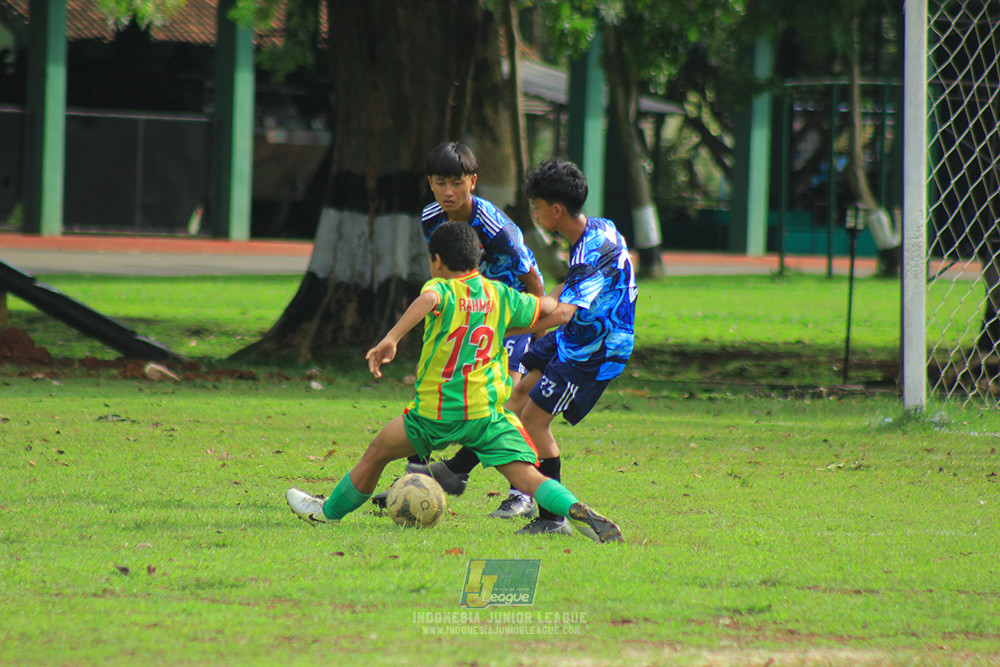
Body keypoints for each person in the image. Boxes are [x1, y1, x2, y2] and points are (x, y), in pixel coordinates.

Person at [284, 221, 623, 544]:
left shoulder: (440, 288)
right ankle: (573, 510)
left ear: (436, 259)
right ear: (477, 257)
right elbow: (547, 306)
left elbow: (429, 300)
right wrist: (570, 289)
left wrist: (392, 338)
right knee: (528, 476)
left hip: (433, 414)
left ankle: (326, 513)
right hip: (483, 415)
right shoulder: (499, 294)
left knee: (376, 454)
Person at [375, 142, 545, 519]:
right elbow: (443, 269)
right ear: (430, 184)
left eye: (456, 182)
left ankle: (522, 493)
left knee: (506, 403)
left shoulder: (497, 230)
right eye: (440, 182)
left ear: (473, 181)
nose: (448, 191)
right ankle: (417, 480)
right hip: (464, 309)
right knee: (434, 386)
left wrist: (535, 332)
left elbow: (533, 280)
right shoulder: (431, 217)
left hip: (506, 310)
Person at [504, 158, 638, 536]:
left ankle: (552, 518)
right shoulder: (599, 228)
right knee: (520, 392)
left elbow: (563, 314)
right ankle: (498, 481)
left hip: (594, 349)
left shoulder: (590, 251)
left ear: (556, 210)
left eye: (536, 209)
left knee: (533, 420)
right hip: (577, 334)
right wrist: (533, 317)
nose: (534, 215)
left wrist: (516, 328)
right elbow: (568, 293)